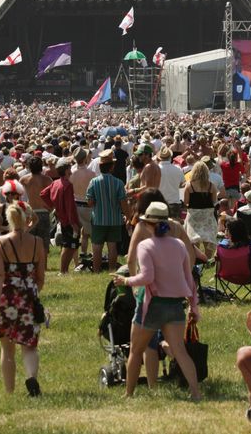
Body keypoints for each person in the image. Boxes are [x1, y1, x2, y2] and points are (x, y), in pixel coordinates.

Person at [113, 202, 202, 400]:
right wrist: (194, 306)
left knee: (136, 351)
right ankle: (195, 392)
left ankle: (129, 394)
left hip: (151, 305)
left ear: (148, 224)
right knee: (180, 352)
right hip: (175, 305)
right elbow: (189, 279)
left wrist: (125, 280)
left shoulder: (145, 246)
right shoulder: (179, 245)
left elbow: (147, 277)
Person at [0, 200, 47, 396]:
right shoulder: (38, 243)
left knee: (7, 348)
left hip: (7, 297)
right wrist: (31, 291)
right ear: (27, 218)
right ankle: (31, 377)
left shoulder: (0, 242)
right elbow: (40, 278)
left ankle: (9, 391)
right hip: (29, 296)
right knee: (29, 345)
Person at [86, 150, 129, 273]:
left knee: (97, 247)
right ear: (111, 167)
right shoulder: (119, 183)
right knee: (112, 246)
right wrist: (128, 216)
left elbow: (89, 202)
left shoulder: (93, 182)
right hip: (114, 219)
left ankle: (97, 270)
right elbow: (123, 203)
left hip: (98, 219)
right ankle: (111, 269)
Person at [39, 158, 79, 274]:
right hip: (68, 220)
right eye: (69, 168)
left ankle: (64, 270)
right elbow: (70, 206)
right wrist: (74, 223)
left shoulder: (55, 183)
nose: (71, 171)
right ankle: (63, 270)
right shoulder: (67, 185)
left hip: (61, 217)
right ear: (66, 170)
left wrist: (52, 205)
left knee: (68, 245)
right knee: (70, 246)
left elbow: (43, 194)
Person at [183, 161, 218, 260]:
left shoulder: (189, 185)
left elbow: (186, 202)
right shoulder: (211, 185)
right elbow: (214, 201)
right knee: (208, 239)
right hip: (208, 216)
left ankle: (196, 258)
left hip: (194, 216)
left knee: (194, 240)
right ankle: (207, 259)